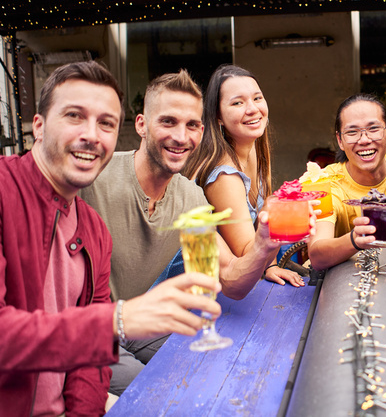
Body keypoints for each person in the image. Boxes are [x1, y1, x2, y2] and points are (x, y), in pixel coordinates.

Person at [0, 61, 222, 415]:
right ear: (38, 127)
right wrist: (116, 320)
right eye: (74, 116)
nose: (92, 134)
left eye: (106, 123)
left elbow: (91, 358)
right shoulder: (4, 192)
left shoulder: (92, 230)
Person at [80, 69, 282, 395]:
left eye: (191, 125)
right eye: (168, 122)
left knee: (220, 374)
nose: (181, 136)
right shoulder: (94, 176)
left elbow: (231, 279)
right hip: (93, 332)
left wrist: (264, 246)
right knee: (155, 391)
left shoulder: (191, 197)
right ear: (142, 125)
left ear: (202, 130)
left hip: (149, 326)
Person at [183, 65, 302, 287]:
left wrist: (271, 265)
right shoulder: (224, 176)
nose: (252, 109)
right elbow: (248, 258)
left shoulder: (252, 147)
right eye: (238, 103)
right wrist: (279, 214)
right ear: (218, 116)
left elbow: (257, 227)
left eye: (257, 98)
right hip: (204, 292)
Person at [308, 93, 386, 270]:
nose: (364, 140)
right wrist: (356, 239)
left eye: (373, 129)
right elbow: (317, 256)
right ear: (340, 141)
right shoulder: (328, 182)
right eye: (352, 132)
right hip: (350, 278)